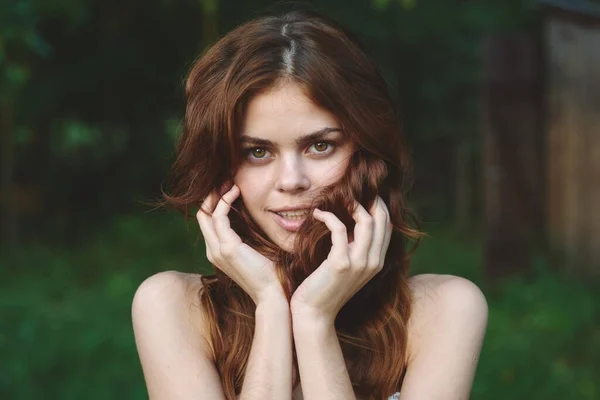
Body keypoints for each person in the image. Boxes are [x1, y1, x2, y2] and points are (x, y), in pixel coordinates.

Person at [132, 9, 488, 400]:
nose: (291, 181)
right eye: (256, 152)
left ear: (366, 150)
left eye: (320, 146)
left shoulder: (442, 312)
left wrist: (313, 318)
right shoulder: (173, 308)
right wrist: (271, 304)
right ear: (222, 169)